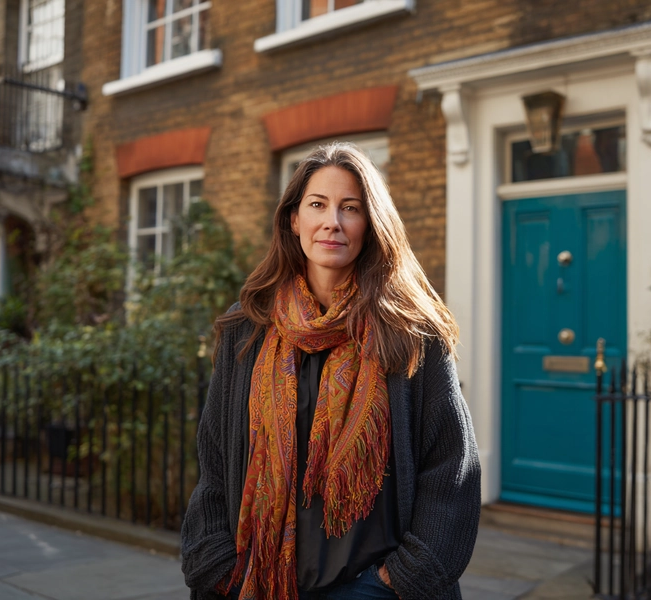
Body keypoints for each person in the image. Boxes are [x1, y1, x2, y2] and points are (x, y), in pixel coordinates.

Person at [180, 142, 482, 600]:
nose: (332, 222)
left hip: (371, 589)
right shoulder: (249, 327)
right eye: (317, 205)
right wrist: (218, 566)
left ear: (371, 224)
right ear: (293, 220)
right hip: (259, 585)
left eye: (350, 208)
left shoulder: (410, 332)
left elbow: (451, 470)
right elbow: (216, 460)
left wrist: (398, 582)